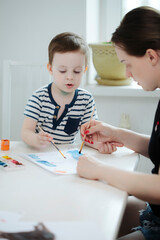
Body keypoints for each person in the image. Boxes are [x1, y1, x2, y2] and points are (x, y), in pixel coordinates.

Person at [77, 6, 160, 240]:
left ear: (151, 56)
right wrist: (116, 133)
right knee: (95, 215)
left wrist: (99, 170)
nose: (127, 73)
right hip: (155, 214)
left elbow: (158, 189)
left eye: (128, 63)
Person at [21, 32, 117, 152]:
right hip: (39, 153)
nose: (70, 77)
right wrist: (36, 139)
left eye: (77, 71)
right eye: (62, 71)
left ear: (84, 70)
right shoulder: (38, 98)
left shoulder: (86, 100)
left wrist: (99, 145)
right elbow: (26, 132)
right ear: (50, 69)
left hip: (65, 156)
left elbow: (88, 136)